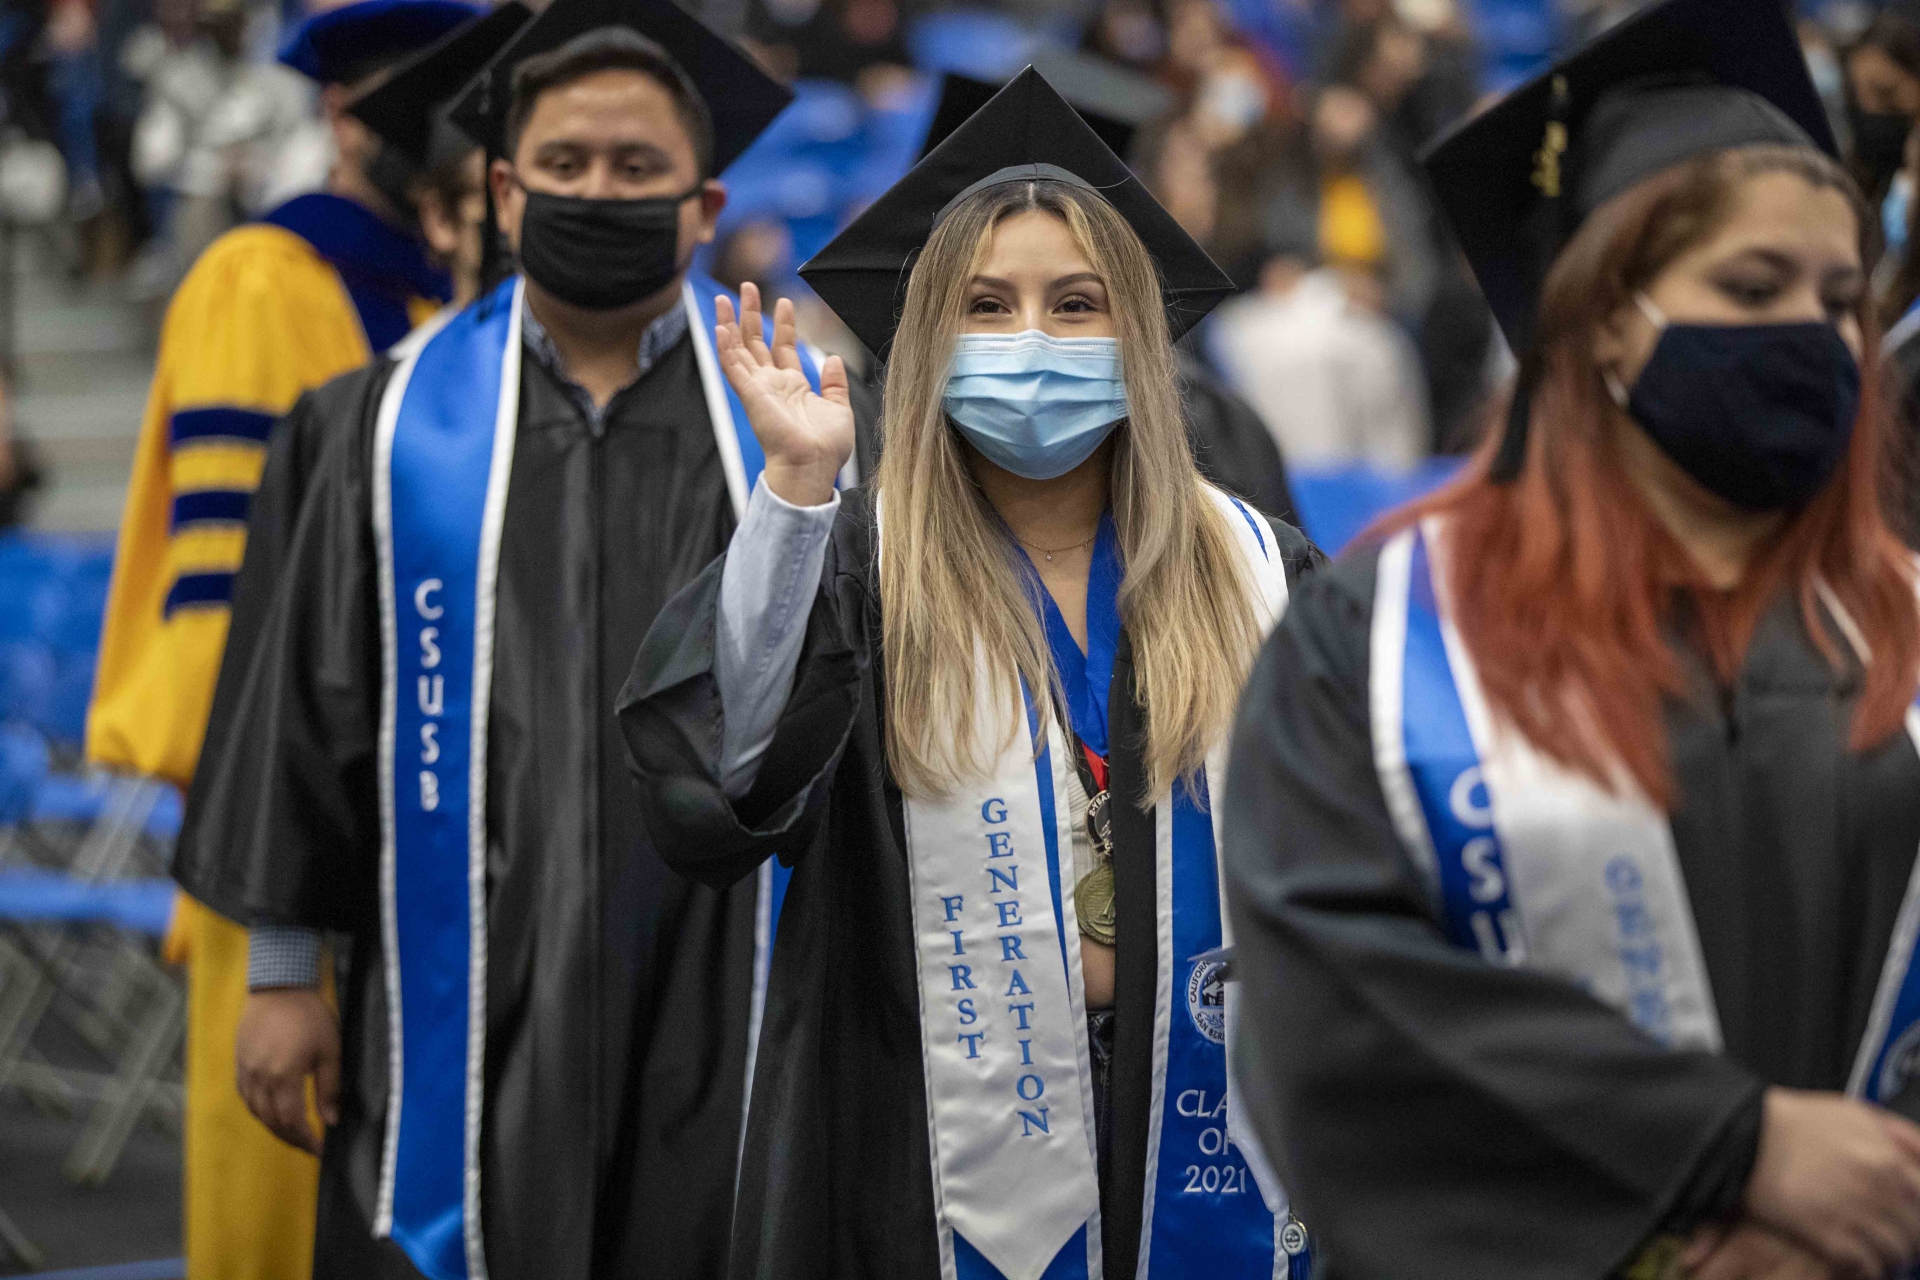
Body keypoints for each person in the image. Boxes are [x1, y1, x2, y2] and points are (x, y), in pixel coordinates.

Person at [171, 0, 876, 1275]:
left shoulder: (801, 438)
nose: (597, 191)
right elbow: (304, 700)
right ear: (503, 189)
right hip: (454, 990)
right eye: (565, 167)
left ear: (704, 204)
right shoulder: (372, 432)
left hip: (719, 969)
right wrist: (283, 971)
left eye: (636, 169)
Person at [1222, 0, 1920, 1277]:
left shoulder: (1896, 625)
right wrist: (1731, 1154)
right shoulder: (1383, 642)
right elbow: (1332, 1010)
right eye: (1750, 287)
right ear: (1605, 315)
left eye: (1838, 298)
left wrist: (1861, 1210)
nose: (1812, 334)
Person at [619, 68, 1322, 1279]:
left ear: (1139, 337)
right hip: (921, 1159)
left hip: (1213, 1136)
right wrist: (793, 494)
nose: (1031, 341)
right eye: (987, 307)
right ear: (928, 339)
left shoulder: (1258, 569)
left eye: (1077, 303)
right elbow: (710, 791)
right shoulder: (852, 566)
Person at [84, 3, 477, 1277]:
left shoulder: (451, 291)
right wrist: (274, 915)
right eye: (410, 98)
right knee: (280, 1219)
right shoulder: (265, 278)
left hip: (432, 847)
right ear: (341, 110)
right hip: (291, 846)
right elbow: (227, 619)